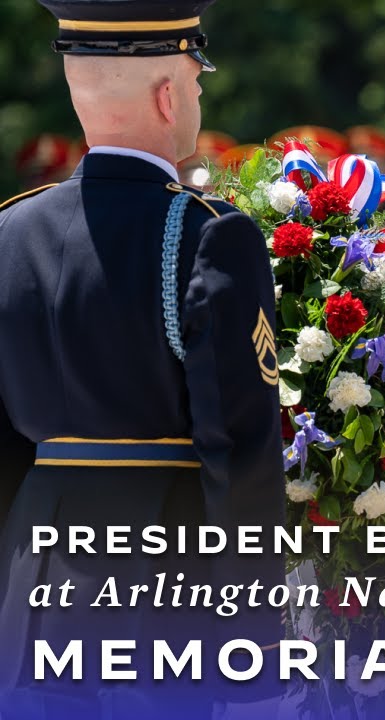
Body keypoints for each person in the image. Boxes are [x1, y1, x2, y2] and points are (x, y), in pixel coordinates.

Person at [0, 2, 284, 718]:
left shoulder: (9, 232)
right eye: (195, 83)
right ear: (167, 96)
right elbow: (240, 445)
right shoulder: (210, 235)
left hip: (30, 583)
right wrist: (254, 626)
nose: (196, 98)